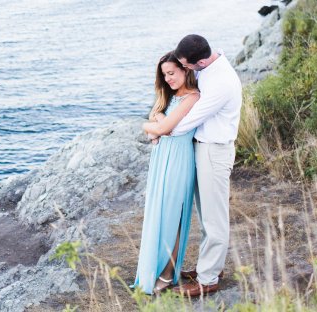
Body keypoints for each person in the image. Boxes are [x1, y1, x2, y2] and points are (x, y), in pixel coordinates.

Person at [144, 34, 243, 297]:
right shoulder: (208, 66)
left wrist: (154, 129)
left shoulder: (221, 82)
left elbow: (182, 125)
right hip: (201, 148)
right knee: (203, 213)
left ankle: (208, 279)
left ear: (199, 61)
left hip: (214, 150)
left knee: (214, 217)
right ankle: (210, 266)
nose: (185, 71)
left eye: (187, 66)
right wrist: (159, 121)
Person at [132, 51, 200, 295]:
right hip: (161, 160)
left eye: (172, 73)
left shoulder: (193, 97)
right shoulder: (169, 96)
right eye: (165, 75)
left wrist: (157, 129)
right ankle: (157, 265)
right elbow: (155, 119)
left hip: (180, 160)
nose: (168, 79)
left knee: (175, 216)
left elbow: (166, 127)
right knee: (159, 213)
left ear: (185, 70)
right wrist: (155, 128)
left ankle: (168, 272)